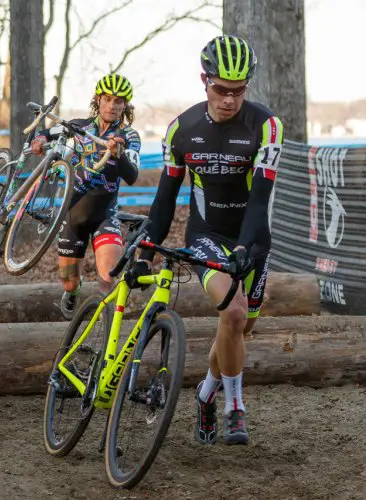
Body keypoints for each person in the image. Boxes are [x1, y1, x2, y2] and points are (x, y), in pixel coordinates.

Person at [126, 35, 283, 445]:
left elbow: (261, 198)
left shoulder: (266, 126)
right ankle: (235, 409)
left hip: (253, 237)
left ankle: (205, 395)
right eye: (220, 89)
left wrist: (246, 249)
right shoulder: (183, 128)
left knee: (239, 328)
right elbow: (164, 200)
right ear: (204, 80)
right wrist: (145, 251)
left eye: (238, 90)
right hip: (207, 234)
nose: (229, 99)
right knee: (231, 314)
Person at [30, 73, 141, 319]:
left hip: (105, 215)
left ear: (125, 105)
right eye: (108, 99)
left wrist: (118, 154)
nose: (112, 105)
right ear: (98, 100)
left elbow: (132, 175)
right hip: (74, 214)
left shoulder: (129, 136)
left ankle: (103, 330)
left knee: (107, 277)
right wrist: (38, 141)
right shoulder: (79, 126)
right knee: (69, 282)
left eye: (119, 101)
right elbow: (47, 134)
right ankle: (72, 293)